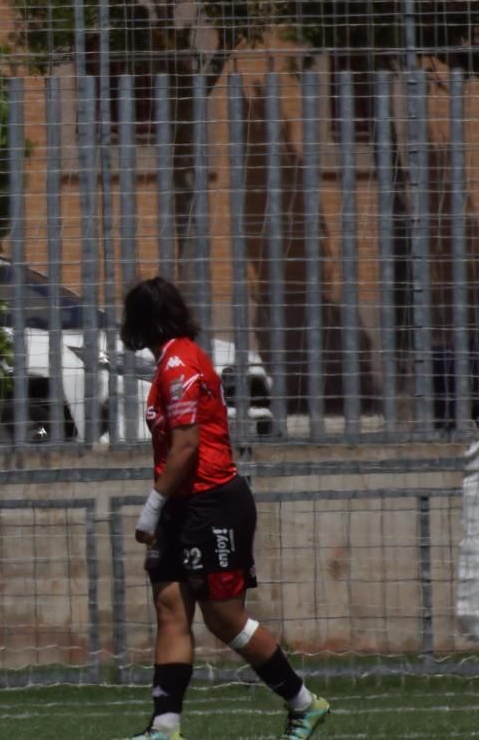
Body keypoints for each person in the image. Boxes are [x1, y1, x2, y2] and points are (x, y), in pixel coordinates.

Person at [119, 278, 330, 740]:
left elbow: (187, 447)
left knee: (224, 617)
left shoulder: (180, 363)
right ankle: (165, 727)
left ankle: (305, 703)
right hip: (182, 503)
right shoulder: (169, 361)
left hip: (211, 502)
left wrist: (151, 507)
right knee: (170, 606)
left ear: (142, 321)